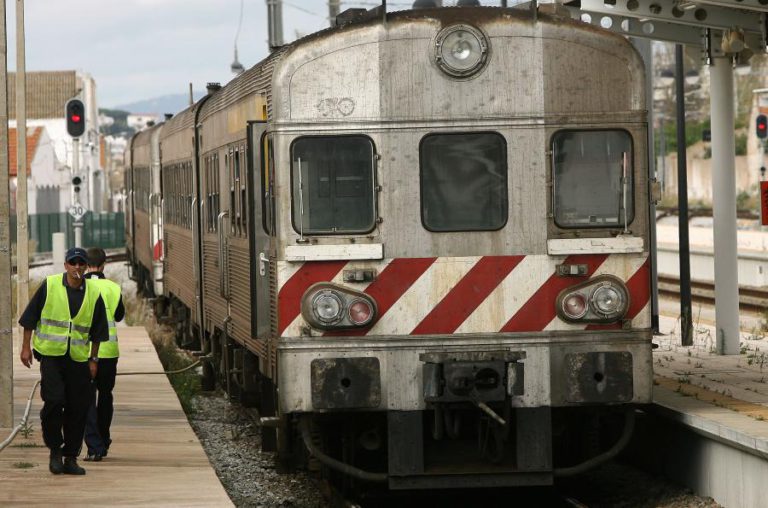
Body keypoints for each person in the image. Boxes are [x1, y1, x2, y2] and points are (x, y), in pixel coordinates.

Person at [19, 247, 109, 475]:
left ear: (86, 267)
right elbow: (30, 317)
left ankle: (70, 456)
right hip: (51, 356)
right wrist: (25, 348)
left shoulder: (93, 295)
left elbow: (98, 331)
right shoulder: (50, 286)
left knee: (77, 408)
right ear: (66, 265)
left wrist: (94, 360)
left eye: (81, 263)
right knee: (54, 401)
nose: (77, 267)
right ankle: (55, 450)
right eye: (73, 262)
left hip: (78, 360)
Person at [83, 247, 125, 461]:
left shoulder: (80, 286)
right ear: (103, 264)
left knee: (87, 398)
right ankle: (104, 438)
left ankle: (94, 445)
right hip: (109, 351)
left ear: (84, 263)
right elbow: (118, 316)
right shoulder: (113, 287)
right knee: (106, 396)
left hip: (83, 351)